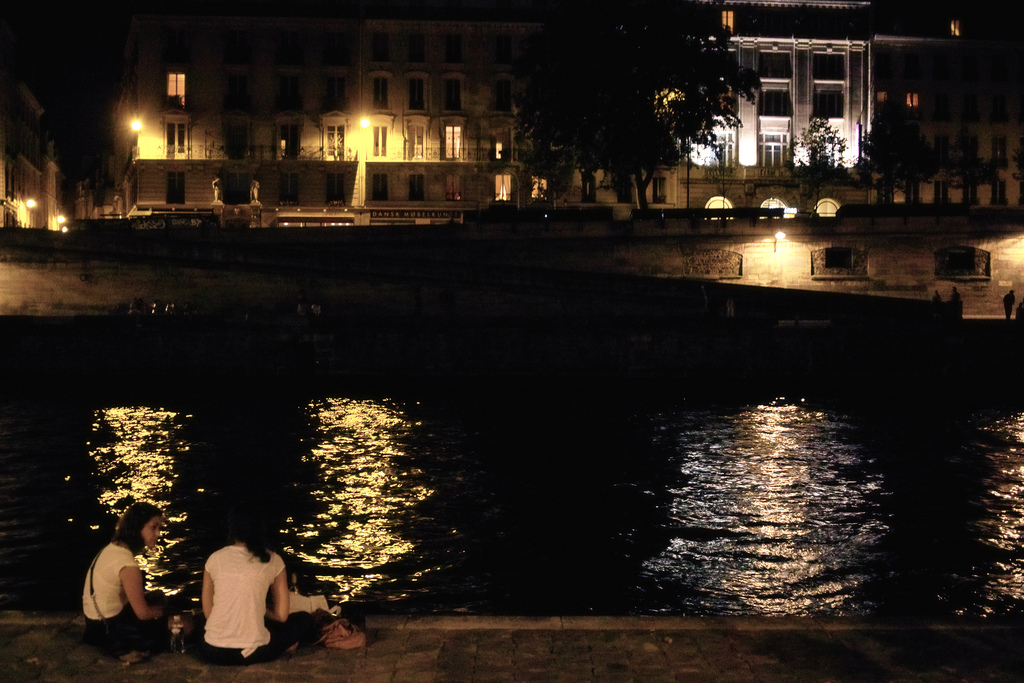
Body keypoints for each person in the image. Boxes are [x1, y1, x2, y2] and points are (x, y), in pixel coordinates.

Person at [199, 504, 315, 665]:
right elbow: (281, 616)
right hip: (254, 653)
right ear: (261, 528)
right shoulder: (274, 560)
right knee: (304, 619)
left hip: (212, 651)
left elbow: (208, 613)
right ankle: (284, 645)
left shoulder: (214, 559)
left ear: (231, 527)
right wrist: (261, 609)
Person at [82, 502, 168, 662]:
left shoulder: (112, 548)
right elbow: (143, 614)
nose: (158, 533)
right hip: (108, 629)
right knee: (179, 623)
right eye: (153, 527)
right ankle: (129, 647)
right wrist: (165, 611)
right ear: (137, 527)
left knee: (157, 596)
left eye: (159, 528)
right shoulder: (127, 564)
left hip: (93, 624)